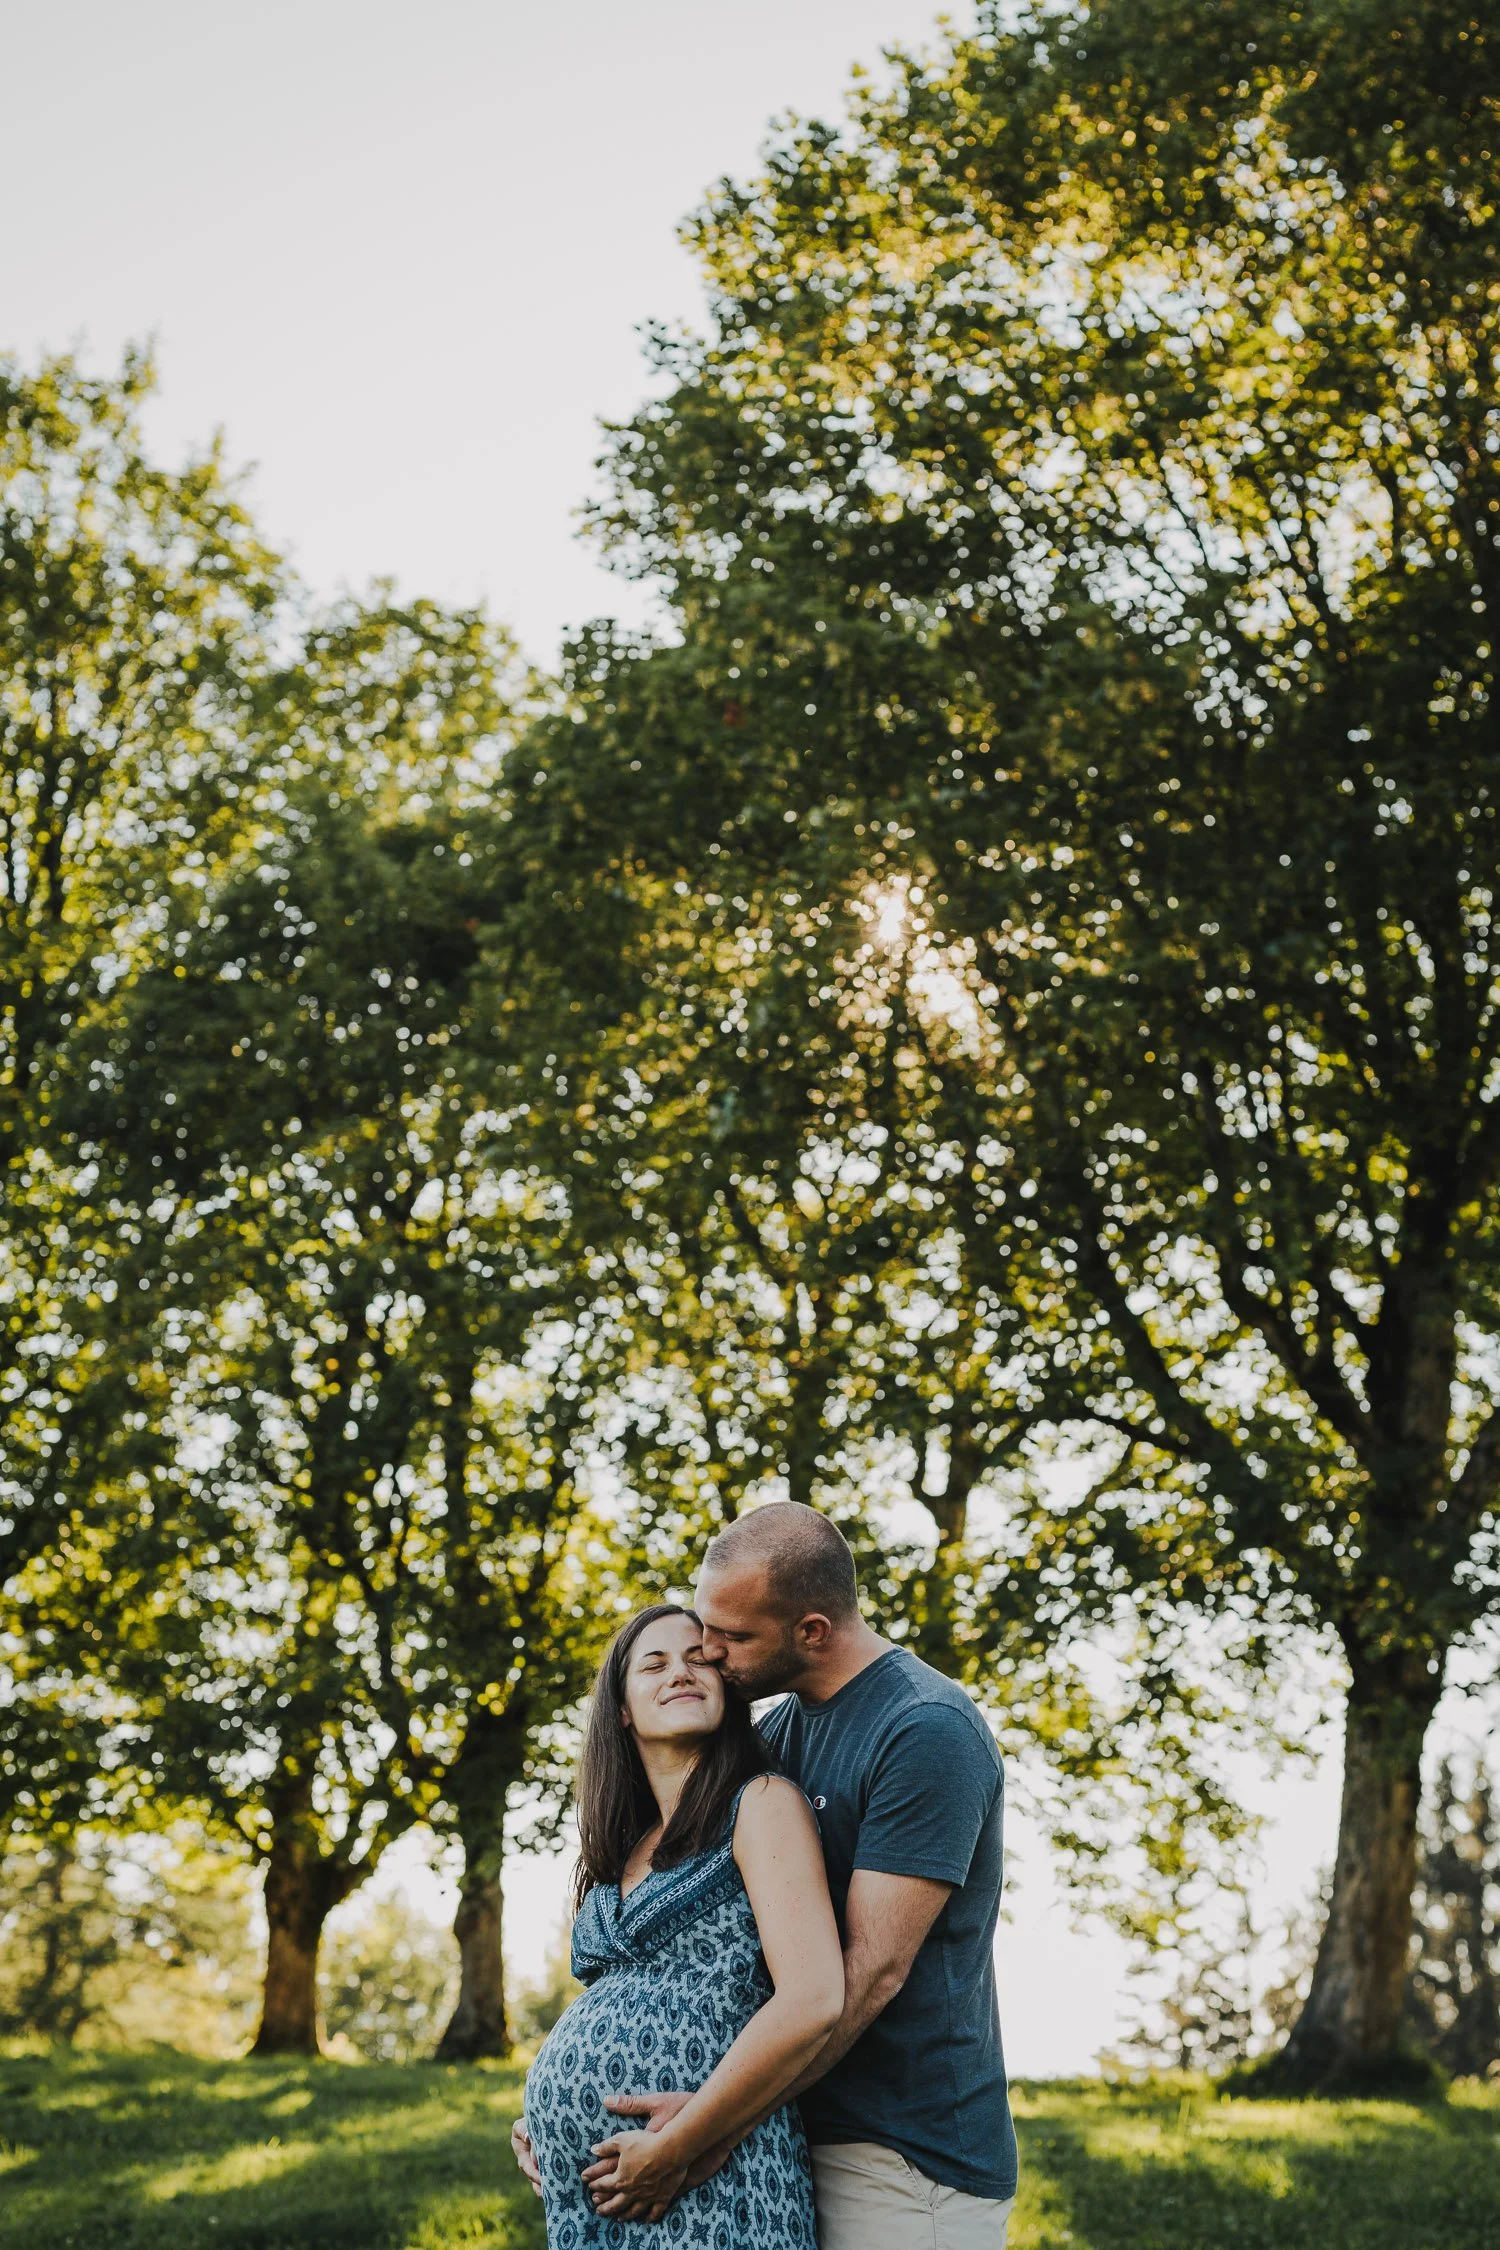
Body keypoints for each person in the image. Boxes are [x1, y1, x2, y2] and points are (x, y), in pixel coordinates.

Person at [514, 1505, 1019, 2249]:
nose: (708, 1653)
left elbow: (868, 1973)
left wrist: (711, 2127)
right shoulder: (778, 1733)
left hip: (902, 2151)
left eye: (731, 1636)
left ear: (811, 1632)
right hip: (795, 2123)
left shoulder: (924, 1729)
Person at [519, 1600, 844, 2247]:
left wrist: (684, 2144)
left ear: (728, 1688)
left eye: (700, 1659)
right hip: (601, 2191)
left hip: (711, 2176)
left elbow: (814, 1998)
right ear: (620, 1707)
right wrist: (542, 2120)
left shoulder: (760, 1804)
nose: (681, 1672)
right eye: (654, 1664)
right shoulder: (622, 1847)